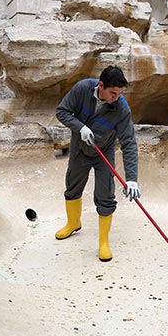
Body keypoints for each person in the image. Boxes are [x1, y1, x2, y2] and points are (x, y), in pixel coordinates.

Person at [55, 65, 140, 262]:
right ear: (100, 85)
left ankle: (103, 242)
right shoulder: (82, 89)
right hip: (80, 148)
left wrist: (132, 180)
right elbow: (62, 111)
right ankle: (73, 223)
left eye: (119, 94)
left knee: (105, 195)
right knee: (72, 186)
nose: (116, 97)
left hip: (104, 153)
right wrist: (80, 127)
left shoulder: (121, 108)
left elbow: (129, 143)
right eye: (112, 93)